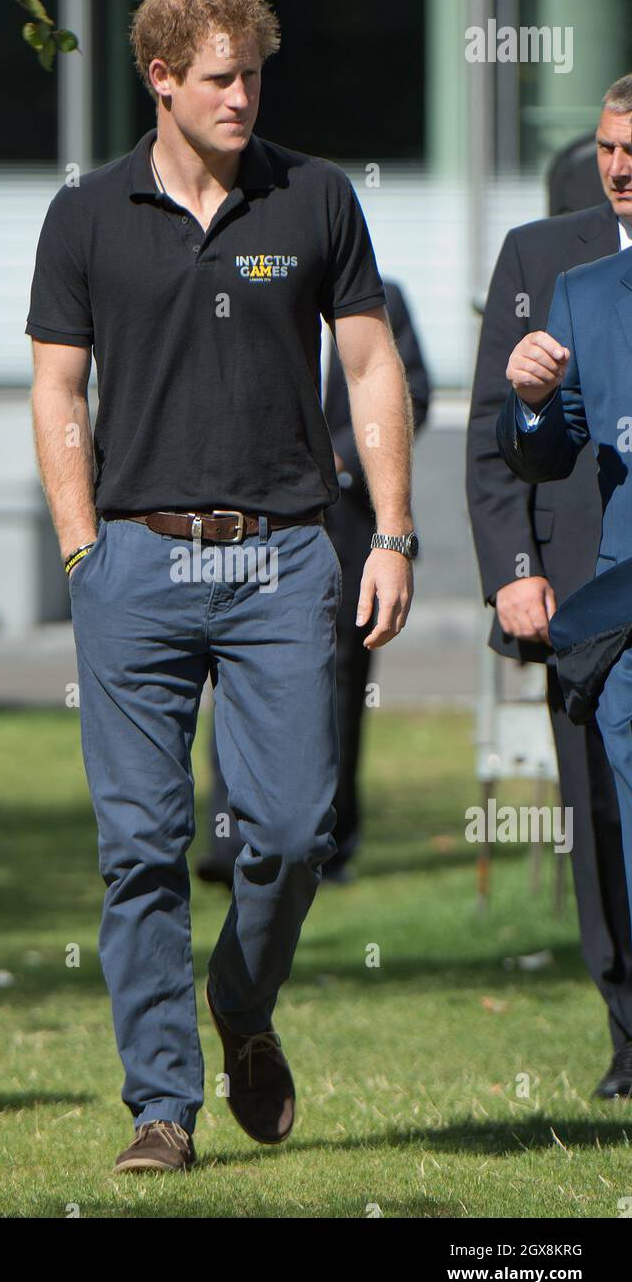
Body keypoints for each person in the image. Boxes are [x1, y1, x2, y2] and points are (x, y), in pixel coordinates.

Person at [25, 0, 415, 1173]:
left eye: (251, 74)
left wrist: (391, 533)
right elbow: (55, 386)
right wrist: (81, 545)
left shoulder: (316, 199)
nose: (241, 96)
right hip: (134, 560)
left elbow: (367, 367)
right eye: (217, 79)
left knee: (294, 827)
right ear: (159, 79)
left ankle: (240, 1004)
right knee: (140, 846)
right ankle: (160, 1107)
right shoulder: (85, 212)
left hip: (285, 555)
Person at [466, 75, 632, 1101]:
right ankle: (625, 1028)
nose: (618, 170)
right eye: (610, 149)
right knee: (600, 813)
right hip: (580, 595)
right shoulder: (541, 261)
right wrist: (514, 574)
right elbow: (502, 444)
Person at [199, 279, 430, 888]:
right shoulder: (254, 289)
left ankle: (332, 844)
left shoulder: (383, 302)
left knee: (341, 685)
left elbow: (414, 396)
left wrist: (338, 458)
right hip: (253, 523)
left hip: (350, 529)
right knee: (233, 675)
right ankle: (230, 840)